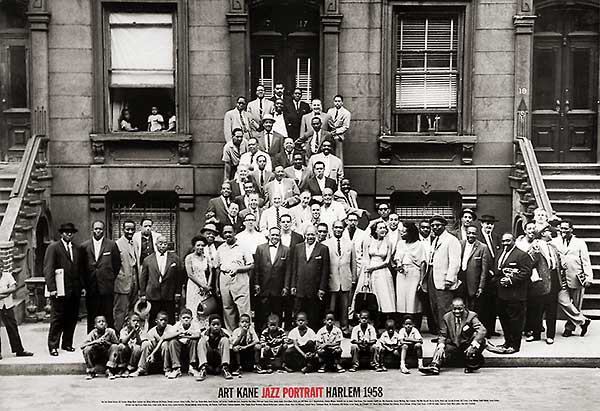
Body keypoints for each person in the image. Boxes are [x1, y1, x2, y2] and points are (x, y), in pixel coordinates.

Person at [490, 233, 533, 354]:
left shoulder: (522, 255)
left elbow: (526, 273)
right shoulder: (500, 253)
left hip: (516, 294)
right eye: (503, 241)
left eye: (508, 241)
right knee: (504, 319)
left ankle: (515, 345)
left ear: (514, 241)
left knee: (515, 321)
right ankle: (507, 342)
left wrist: (511, 280)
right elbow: (498, 271)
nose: (505, 243)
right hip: (502, 293)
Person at [419, 298, 486, 375]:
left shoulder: (471, 316)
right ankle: (435, 365)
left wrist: (473, 345)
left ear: (464, 307)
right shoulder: (446, 317)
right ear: (451, 307)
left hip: (467, 345)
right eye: (455, 309)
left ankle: (471, 364)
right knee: (441, 345)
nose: (457, 311)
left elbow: (482, 330)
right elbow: (443, 334)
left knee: (481, 340)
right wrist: (441, 346)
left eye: (460, 309)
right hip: (454, 345)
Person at [44, 222, 82, 356]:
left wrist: (81, 287)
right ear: (61, 234)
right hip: (59, 290)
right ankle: (53, 346)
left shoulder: (77, 249)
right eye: (66, 232)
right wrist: (52, 288)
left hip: (74, 290)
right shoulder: (53, 248)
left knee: (71, 318)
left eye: (71, 232)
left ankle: (67, 343)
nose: (69, 234)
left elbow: (79, 269)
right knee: (57, 319)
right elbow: (48, 269)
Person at [552, 220, 593, 337]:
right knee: (563, 301)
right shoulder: (554, 242)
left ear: (571, 229)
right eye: (561, 228)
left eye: (565, 228)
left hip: (577, 277)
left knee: (576, 304)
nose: (563, 231)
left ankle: (569, 328)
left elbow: (586, 261)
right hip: (560, 278)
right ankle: (583, 321)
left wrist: (588, 277)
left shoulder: (580, 243)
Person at [81, 220, 121, 332]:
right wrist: (84, 285)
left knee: (108, 313)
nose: (98, 231)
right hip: (91, 287)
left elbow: (117, 264)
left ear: (104, 230)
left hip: (106, 286)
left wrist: (109, 277)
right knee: (92, 314)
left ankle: (109, 339)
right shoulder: (84, 246)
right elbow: (81, 268)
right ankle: (91, 340)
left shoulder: (111, 245)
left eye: (100, 229)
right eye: (96, 228)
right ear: (92, 230)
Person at [355, 221, 396, 326]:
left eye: (384, 228)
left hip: (383, 272)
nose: (383, 230)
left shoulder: (389, 243)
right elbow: (365, 258)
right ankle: (371, 323)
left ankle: (383, 323)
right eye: (380, 228)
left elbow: (387, 261)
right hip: (369, 272)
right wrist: (367, 276)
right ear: (375, 230)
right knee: (371, 298)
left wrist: (374, 267)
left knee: (385, 298)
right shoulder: (368, 241)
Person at [289, 225, 330, 328]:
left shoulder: (323, 248)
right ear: (304, 235)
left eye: (312, 234)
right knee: (298, 312)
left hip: (314, 289)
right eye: (308, 234)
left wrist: (321, 288)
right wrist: (293, 285)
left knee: (314, 314)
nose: (310, 237)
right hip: (300, 287)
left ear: (316, 235)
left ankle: (313, 334)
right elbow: (294, 268)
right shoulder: (298, 247)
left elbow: (325, 270)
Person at [427, 215, 461, 336]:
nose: (435, 228)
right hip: (433, 276)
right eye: (432, 226)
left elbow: (455, 262)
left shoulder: (451, 240)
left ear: (444, 225)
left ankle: (446, 335)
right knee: (435, 307)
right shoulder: (435, 239)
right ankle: (441, 333)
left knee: (444, 308)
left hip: (444, 278)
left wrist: (450, 279)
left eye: (437, 225)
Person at [215, 225, 254, 331]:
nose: (227, 235)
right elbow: (217, 268)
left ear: (235, 232)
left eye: (230, 232)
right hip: (224, 278)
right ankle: (231, 333)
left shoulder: (243, 246)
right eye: (225, 233)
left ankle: (247, 333)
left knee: (243, 308)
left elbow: (251, 265)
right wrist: (217, 287)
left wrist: (238, 269)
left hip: (239, 277)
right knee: (227, 307)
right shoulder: (220, 248)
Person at [139, 235, 184, 325]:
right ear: (156, 244)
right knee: (153, 318)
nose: (163, 246)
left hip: (169, 294)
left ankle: (170, 336)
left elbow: (179, 277)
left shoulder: (175, 259)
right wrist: (143, 294)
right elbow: (143, 278)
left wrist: (178, 292)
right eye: (160, 243)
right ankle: (153, 336)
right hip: (153, 294)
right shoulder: (148, 260)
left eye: (165, 243)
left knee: (170, 318)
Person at [254, 227, 291, 332]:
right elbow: (257, 268)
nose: (274, 237)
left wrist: (286, 286)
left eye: (277, 235)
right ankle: (262, 334)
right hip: (264, 287)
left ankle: (277, 334)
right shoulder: (260, 248)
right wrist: (256, 284)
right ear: (269, 236)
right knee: (263, 312)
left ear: (280, 236)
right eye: (273, 235)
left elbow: (288, 270)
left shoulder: (286, 250)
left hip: (278, 288)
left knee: (277, 311)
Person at [324, 220, 357, 335]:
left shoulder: (350, 244)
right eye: (336, 227)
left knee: (344, 307)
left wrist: (353, 278)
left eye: (340, 228)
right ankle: (330, 329)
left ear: (344, 229)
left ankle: (344, 327)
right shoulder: (326, 244)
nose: (338, 230)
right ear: (332, 229)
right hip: (331, 279)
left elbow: (353, 262)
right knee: (331, 307)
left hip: (345, 279)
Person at [394, 222, 427, 324]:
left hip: (414, 274)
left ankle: (415, 324)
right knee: (401, 298)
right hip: (402, 274)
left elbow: (422, 263)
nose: (402, 234)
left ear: (411, 233)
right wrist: (399, 264)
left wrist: (421, 280)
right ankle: (401, 324)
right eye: (401, 232)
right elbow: (397, 258)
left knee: (413, 299)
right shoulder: (400, 244)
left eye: (404, 232)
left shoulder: (419, 245)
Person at [0, 269, 34, 360]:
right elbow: (9, 290)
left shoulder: (7, 275)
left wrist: (2, 293)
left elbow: (13, 288)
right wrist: (7, 292)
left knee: (13, 327)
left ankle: (19, 350)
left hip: (7, 306)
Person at [477, 215, 501, 337]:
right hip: (482, 276)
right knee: (482, 306)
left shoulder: (496, 237)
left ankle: (491, 329)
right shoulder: (478, 237)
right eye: (486, 223)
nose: (489, 226)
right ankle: (483, 331)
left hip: (494, 277)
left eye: (491, 224)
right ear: (481, 224)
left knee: (493, 305)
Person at [130, 311, 174, 377]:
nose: (163, 322)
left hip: (167, 352)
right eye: (161, 320)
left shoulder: (170, 328)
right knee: (146, 343)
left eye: (165, 320)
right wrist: (152, 355)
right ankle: (141, 369)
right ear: (156, 321)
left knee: (165, 344)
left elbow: (163, 340)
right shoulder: (152, 331)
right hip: (155, 352)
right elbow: (152, 344)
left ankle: (167, 369)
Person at [458, 224, 490, 312]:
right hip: (460, 280)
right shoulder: (460, 244)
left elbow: (484, 270)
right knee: (460, 305)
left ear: (477, 235)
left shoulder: (483, 247)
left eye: (473, 233)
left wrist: (481, 287)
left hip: (473, 283)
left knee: (472, 308)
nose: (471, 235)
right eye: (469, 233)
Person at [163, 308, 202, 379]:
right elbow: (165, 337)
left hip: (190, 346)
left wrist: (188, 335)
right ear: (180, 319)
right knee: (172, 341)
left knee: (194, 340)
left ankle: (192, 367)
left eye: (188, 318)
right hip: (180, 347)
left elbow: (198, 335)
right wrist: (179, 333)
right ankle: (176, 368)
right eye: (184, 318)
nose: (186, 319)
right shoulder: (177, 325)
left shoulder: (195, 324)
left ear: (192, 319)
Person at [114, 220, 138, 331]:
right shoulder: (117, 244)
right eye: (127, 229)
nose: (130, 231)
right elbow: (114, 265)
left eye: (132, 229)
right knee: (121, 311)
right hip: (122, 283)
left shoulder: (135, 243)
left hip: (134, 282)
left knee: (132, 310)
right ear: (123, 230)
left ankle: (130, 333)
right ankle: (118, 333)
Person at [184, 235, 212, 330]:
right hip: (194, 285)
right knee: (194, 307)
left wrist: (207, 285)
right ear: (194, 246)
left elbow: (211, 272)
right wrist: (202, 285)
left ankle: (204, 329)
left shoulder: (206, 257)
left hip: (204, 285)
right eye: (198, 245)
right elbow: (190, 274)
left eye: (202, 245)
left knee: (204, 308)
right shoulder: (189, 258)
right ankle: (194, 329)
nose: (200, 247)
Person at [81, 315, 120, 379]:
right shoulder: (93, 333)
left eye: (103, 321)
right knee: (87, 349)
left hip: (107, 355)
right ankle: (91, 371)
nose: (101, 323)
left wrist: (107, 343)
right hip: (96, 355)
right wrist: (96, 341)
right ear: (95, 325)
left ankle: (109, 370)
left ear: (106, 324)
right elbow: (82, 346)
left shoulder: (110, 332)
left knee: (115, 346)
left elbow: (117, 344)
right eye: (99, 322)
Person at [196, 314, 233, 381]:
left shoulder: (225, 333)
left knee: (225, 340)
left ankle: (225, 368)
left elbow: (230, 348)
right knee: (202, 341)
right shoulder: (204, 333)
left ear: (221, 325)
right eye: (213, 325)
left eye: (218, 324)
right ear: (209, 325)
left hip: (220, 360)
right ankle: (203, 369)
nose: (216, 326)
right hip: (209, 360)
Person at [116, 312, 144, 378]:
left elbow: (140, 343)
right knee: (121, 346)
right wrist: (132, 332)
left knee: (137, 348)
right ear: (128, 321)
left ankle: (129, 369)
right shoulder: (124, 330)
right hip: (126, 352)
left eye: (138, 321)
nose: (136, 323)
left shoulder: (140, 330)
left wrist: (137, 334)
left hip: (135, 355)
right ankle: (122, 368)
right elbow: (123, 341)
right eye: (134, 321)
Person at [326, 94, 351, 160]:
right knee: (329, 153)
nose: (337, 103)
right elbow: (327, 121)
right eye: (336, 101)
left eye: (339, 101)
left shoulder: (346, 113)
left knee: (338, 155)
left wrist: (336, 132)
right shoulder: (330, 111)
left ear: (342, 102)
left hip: (338, 136)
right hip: (329, 134)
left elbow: (346, 126)